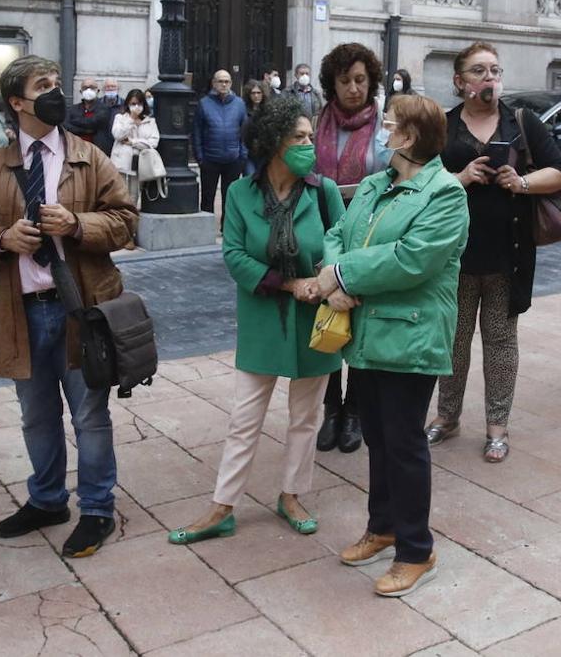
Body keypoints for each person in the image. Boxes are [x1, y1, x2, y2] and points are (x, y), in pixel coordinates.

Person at [0, 55, 138, 558]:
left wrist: (78, 225)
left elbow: (126, 221)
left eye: (58, 83)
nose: (56, 92)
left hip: (83, 309)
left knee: (90, 416)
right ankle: (48, 500)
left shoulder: (89, 157)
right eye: (43, 86)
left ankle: (97, 509)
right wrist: (4, 238)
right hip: (22, 311)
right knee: (37, 417)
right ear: (17, 102)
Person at [168, 97, 346, 545]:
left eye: (310, 137)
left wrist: (323, 280)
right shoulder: (240, 194)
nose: (309, 146)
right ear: (273, 143)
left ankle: (292, 495)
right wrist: (289, 284)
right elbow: (234, 255)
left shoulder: (321, 192)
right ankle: (222, 505)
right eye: (299, 138)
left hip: (314, 321)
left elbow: (341, 244)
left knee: (306, 417)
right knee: (245, 417)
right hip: (264, 318)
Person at [318, 94, 469, 597]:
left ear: (407, 137)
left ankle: (416, 549)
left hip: (410, 335)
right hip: (366, 333)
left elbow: (412, 260)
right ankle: (381, 528)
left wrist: (343, 277)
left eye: (390, 124)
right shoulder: (376, 184)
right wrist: (336, 272)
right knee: (379, 438)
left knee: (404, 444)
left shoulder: (445, 194)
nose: (382, 130)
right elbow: (339, 231)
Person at [426, 43, 561, 463]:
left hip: (509, 252)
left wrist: (521, 182)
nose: (489, 78)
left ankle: (496, 427)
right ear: (460, 82)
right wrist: (461, 177)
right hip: (454, 255)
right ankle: (447, 417)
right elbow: (419, 181)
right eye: (479, 71)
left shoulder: (521, 121)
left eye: (494, 70)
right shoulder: (444, 126)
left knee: (501, 341)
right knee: (453, 341)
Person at [314, 42, 390, 453]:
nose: (354, 88)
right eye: (345, 81)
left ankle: (355, 411)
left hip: (370, 233)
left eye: (360, 80)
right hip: (324, 229)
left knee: (361, 322)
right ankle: (330, 410)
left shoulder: (384, 124)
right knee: (326, 318)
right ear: (332, 84)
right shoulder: (317, 122)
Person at [192, 70, 248, 224]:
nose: (224, 84)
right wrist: (200, 157)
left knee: (230, 197)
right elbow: (196, 132)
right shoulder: (204, 103)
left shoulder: (239, 104)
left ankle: (227, 228)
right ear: (214, 83)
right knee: (207, 196)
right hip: (210, 159)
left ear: (231, 83)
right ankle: (205, 228)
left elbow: (245, 132)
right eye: (220, 81)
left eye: (227, 81)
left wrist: (242, 156)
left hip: (233, 159)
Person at [109, 89, 160, 206]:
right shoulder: (120, 118)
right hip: (121, 164)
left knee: (134, 195)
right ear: (127, 104)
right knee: (119, 194)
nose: (136, 107)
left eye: (139, 103)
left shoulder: (150, 121)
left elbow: (152, 142)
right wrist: (131, 120)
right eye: (133, 104)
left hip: (140, 164)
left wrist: (133, 142)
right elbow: (118, 135)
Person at [65, 77, 112, 154]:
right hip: (76, 150)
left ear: (98, 91)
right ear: (81, 91)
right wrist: (88, 130)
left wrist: (75, 122)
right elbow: (67, 126)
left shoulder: (104, 108)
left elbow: (94, 122)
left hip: (97, 151)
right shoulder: (72, 109)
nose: (88, 90)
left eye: (92, 87)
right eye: (85, 88)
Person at [241, 80, 271, 175]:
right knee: (250, 178)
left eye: (259, 93)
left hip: (264, 152)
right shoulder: (243, 109)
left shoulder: (268, 110)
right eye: (253, 93)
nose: (256, 96)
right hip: (248, 153)